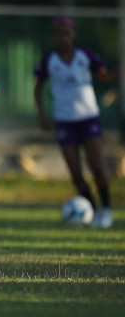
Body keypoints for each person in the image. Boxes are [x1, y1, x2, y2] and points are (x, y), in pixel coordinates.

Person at [34, 17, 117, 228]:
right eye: (60, 33)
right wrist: (42, 114)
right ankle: (91, 209)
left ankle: (106, 209)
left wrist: (115, 73)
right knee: (75, 172)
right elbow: (38, 87)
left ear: (73, 34)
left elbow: (103, 76)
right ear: (55, 35)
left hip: (88, 118)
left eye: (67, 33)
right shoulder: (49, 60)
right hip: (64, 121)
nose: (64, 37)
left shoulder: (85, 55)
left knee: (97, 166)